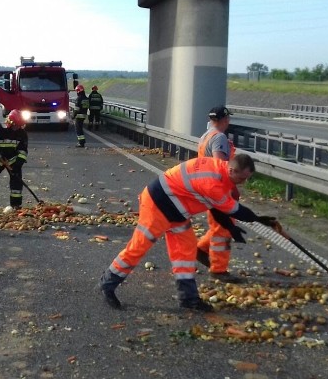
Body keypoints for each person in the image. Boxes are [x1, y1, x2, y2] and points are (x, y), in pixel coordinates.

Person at [98, 154, 282, 312]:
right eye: (242, 178)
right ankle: (108, 283)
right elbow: (234, 210)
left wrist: (233, 227)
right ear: (233, 170)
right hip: (158, 205)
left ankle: (189, 298)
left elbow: (216, 208)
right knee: (139, 247)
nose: (244, 182)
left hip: (177, 210)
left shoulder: (220, 170)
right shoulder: (213, 183)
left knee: (186, 252)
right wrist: (259, 219)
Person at [195, 105, 242, 282]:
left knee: (219, 226)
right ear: (225, 119)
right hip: (218, 189)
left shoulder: (206, 136)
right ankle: (218, 269)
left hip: (208, 188)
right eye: (228, 118)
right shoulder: (219, 138)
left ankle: (200, 249)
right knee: (223, 229)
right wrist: (233, 188)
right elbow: (221, 167)